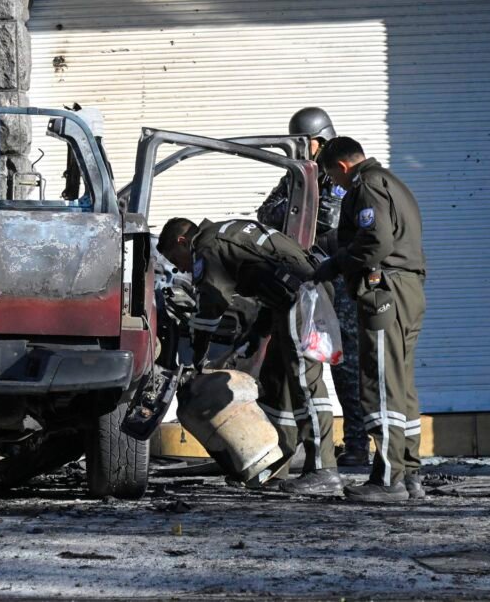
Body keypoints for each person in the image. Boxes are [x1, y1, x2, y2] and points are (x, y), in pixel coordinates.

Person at [157, 216, 343, 496]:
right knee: (277, 383)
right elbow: (267, 272)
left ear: (183, 241)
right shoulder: (226, 231)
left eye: (175, 258)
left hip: (300, 296)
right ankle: (274, 465)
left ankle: (323, 470)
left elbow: (212, 302)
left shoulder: (207, 246)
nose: (177, 267)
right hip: (290, 297)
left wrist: (197, 354)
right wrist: (257, 333)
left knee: (305, 382)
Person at [313, 136, 427, 502]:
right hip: (407, 289)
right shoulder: (394, 183)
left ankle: (388, 480)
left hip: (384, 291)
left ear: (341, 167)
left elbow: (375, 242)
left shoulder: (366, 187)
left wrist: (338, 263)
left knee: (379, 382)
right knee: (400, 383)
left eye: (332, 176)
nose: (335, 183)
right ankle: (409, 475)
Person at [258, 107, 369, 467]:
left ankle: (356, 445)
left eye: (305, 143)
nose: (301, 151)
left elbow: (335, 219)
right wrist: (298, 205)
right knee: (306, 360)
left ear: (320, 139)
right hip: (309, 279)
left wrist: (309, 208)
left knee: (347, 366)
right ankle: (314, 443)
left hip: (341, 279)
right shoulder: (297, 176)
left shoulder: (340, 174)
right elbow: (267, 212)